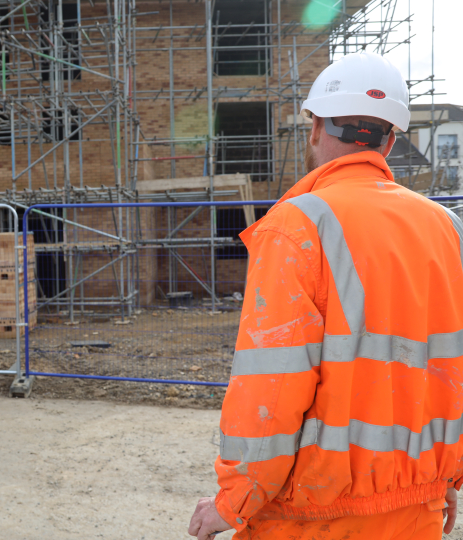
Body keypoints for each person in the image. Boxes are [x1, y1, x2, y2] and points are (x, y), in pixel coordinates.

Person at [188, 51, 463, 540]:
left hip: (314, 518)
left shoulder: (298, 226)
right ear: (391, 138)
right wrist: (444, 474)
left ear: (315, 127)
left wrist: (235, 501)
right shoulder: (448, 229)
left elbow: (271, 383)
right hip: (416, 509)